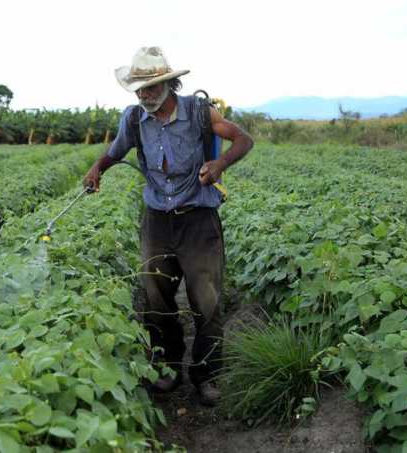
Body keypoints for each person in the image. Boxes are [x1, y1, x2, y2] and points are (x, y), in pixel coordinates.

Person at [83, 47, 254, 406]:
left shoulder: (198, 112)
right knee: (156, 298)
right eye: (139, 89)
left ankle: (207, 375)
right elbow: (115, 152)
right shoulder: (133, 119)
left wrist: (220, 163)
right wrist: (98, 168)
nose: (143, 94)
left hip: (198, 219)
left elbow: (243, 139)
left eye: (149, 88)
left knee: (205, 300)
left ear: (167, 84)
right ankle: (168, 367)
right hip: (157, 220)